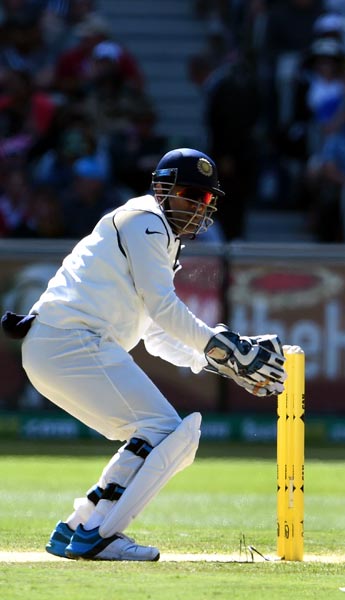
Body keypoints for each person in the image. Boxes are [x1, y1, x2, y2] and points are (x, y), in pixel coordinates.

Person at [1, 149, 287, 561]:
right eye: (191, 194)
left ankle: (80, 525)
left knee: (158, 431)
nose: (197, 206)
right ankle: (99, 535)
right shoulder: (145, 221)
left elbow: (154, 334)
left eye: (206, 200)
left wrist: (212, 359)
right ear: (163, 188)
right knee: (170, 432)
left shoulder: (158, 235)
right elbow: (164, 307)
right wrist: (224, 348)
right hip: (70, 341)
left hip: (60, 346)